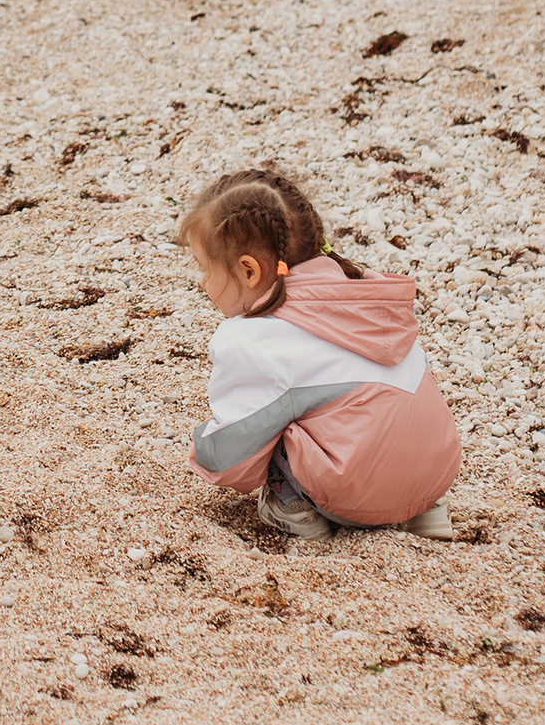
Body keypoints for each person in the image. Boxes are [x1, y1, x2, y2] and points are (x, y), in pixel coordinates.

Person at [173, 168, 460, 541]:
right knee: (375, 407)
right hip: (433, 477)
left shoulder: (255, 338)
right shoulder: (372, 300)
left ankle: (293, 508)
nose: (201, 282)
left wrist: (203, 451)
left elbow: (234, 452)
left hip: (356, 495)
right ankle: (426, 514)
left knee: (275, 422)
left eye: (204, 268)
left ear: (248, 270)